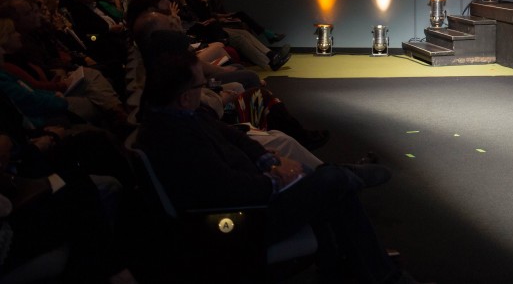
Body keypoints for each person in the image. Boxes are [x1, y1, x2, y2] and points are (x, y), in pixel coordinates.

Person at [135, 46, 408, 282]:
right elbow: (226, 189)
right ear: (184, 96)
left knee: (332, 188)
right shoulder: (173, 137)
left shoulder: (182, 115)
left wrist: (269, 160)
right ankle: (373, 263)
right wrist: (274, 181)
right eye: (200, 85)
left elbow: (234, 137)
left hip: (252, 197)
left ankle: (359, 265)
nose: (205, 88)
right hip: (246, 218)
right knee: (332, 182)